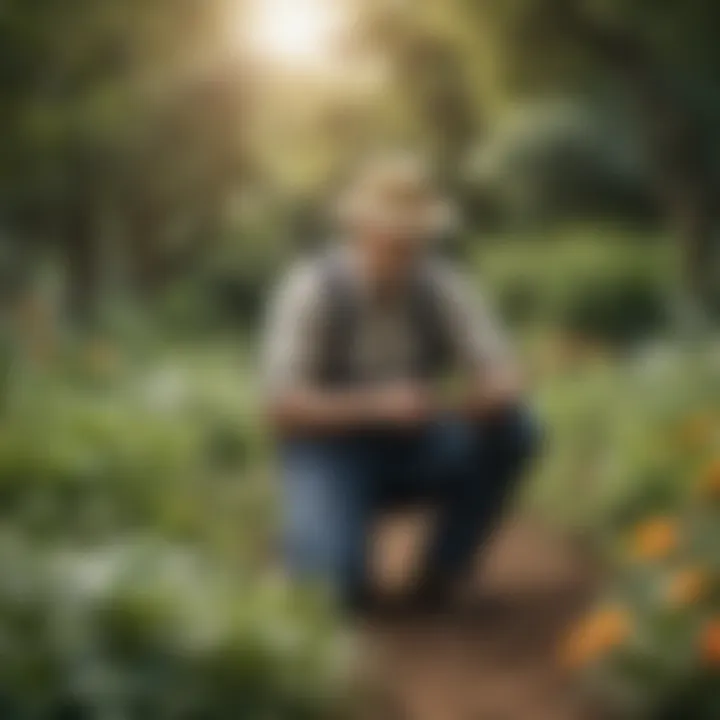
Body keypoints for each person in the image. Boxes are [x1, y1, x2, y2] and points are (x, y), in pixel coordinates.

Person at [261, 153, 539, 614]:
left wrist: (491, 392)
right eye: (395, 236)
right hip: (329, 453)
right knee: (334, 592)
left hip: (416, 448)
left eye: (417, 237)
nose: (408, 248)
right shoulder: (311, 289)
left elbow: (503, 368)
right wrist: (376, 406)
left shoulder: (441, 285)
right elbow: (279, 407)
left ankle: (444, 570)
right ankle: (310, 549)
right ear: (360, 231)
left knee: (518, 428)